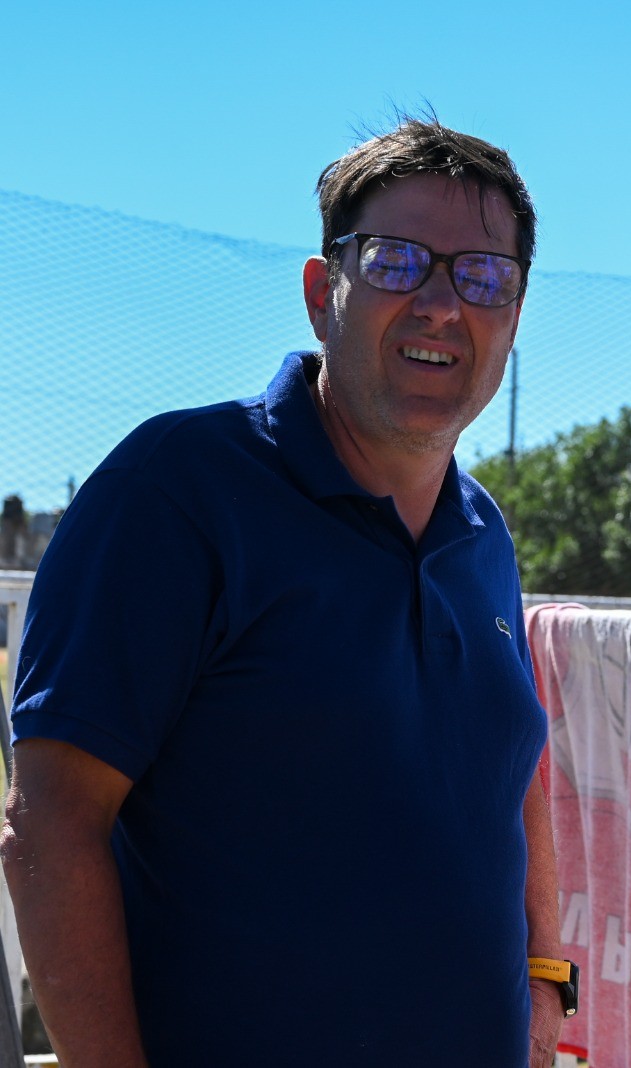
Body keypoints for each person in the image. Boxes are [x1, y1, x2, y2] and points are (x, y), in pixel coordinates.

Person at [1, 118, 568, 1066]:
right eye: (396, 262)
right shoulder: (177, 491)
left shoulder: (483, 534)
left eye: (483, 276)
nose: (440, 305)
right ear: (320, 293)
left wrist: (545, 978)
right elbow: (50, 824)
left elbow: (514, 768)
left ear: (513, 317)